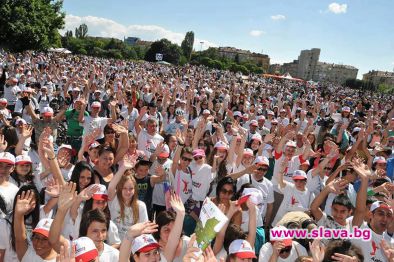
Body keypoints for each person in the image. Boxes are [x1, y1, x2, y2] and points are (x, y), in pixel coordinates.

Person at [108, 159, 148, 240]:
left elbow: (144, 229)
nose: (128, 192)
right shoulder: (114, 200)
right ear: (120, 189)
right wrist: (123, 168)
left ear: (135, 189)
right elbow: (111, 187)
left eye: (131, 188)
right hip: (115, 245)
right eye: (124, 188)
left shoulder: (141, 206)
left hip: (132, 246)